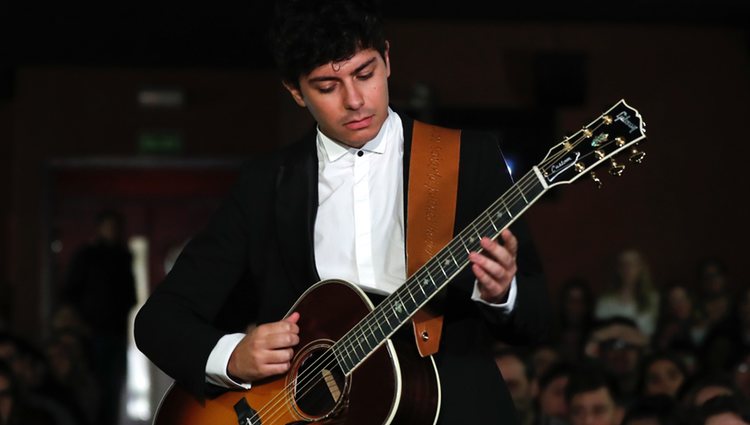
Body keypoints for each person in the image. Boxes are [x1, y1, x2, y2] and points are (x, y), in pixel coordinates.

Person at [134, 0, 550, 423]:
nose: (354, 100)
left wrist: (503, 294)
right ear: (296, 92)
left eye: (364, 74)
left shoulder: (467, 158)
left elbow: (536, 320)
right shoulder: (266, 184)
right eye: (327, 87)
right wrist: (232, 357)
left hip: (447, 408)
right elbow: (159, 321)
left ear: (387, 59)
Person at [60, 209, 136, 425]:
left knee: (114, 387)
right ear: (99, 228)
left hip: (116, 332)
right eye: (108, 226)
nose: (111, 231)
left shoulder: (123, 256)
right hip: (91, 333)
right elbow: (70, 292)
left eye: (115, 227)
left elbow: (130, 295)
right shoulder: (87, 256)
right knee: (94, 387)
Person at [595, 248, 659, 337]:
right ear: (618, 269)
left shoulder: (652, 299)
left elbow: (648, 337)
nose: (628, 269)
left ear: (641, 268)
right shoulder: (605, 301)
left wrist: (618, 330)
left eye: (632, 264)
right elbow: (598, 334)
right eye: (623, 265)